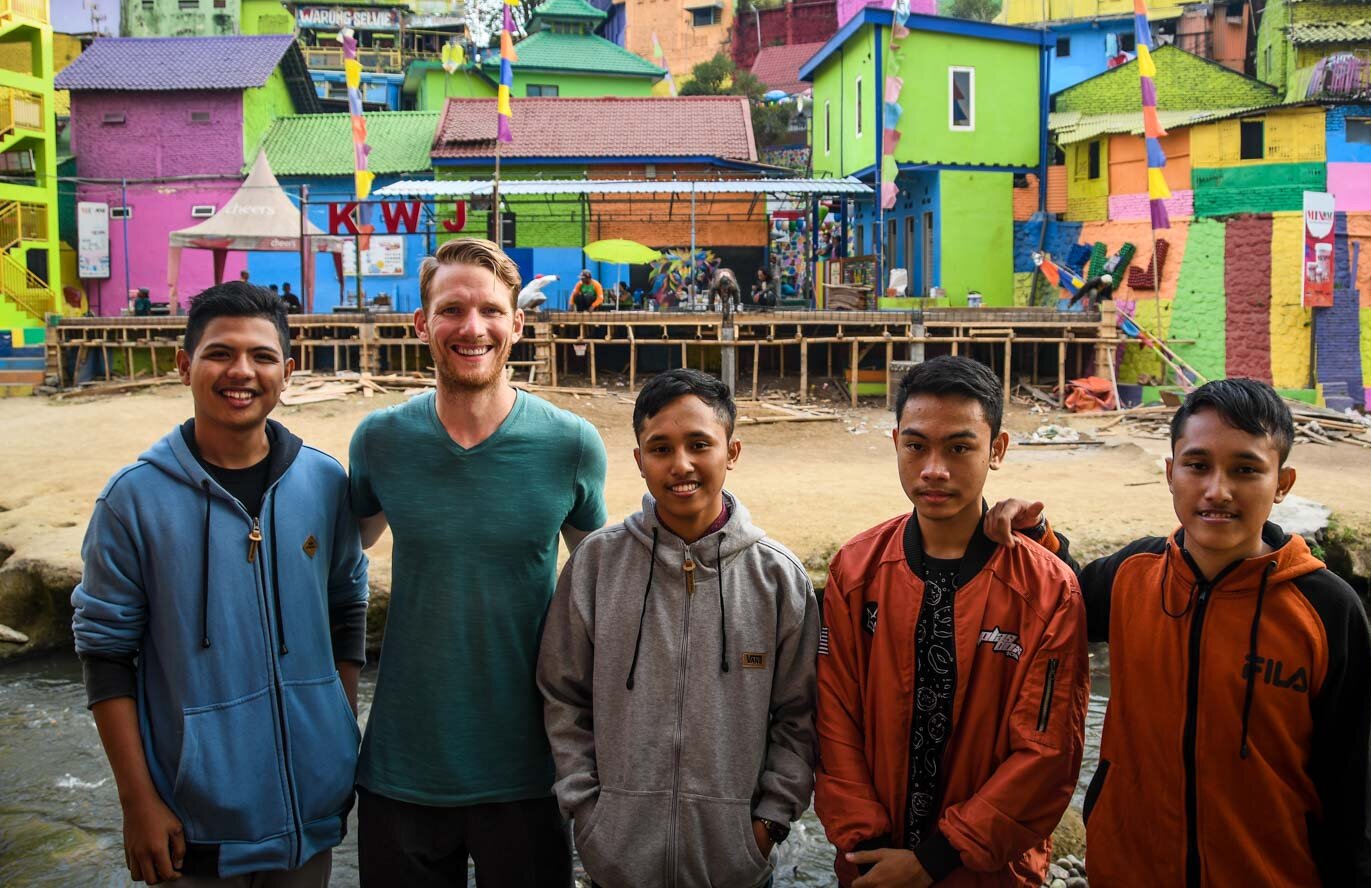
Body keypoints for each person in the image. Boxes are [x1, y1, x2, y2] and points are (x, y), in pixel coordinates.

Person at [985, 379, 1371, 886]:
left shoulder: (1327, 610)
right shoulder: (1133, 573)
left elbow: (1355, 799)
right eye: (1197, 466)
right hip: (1129, 871)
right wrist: (1036, 536)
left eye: (1245, 469)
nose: (1217, 490)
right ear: (1171, 472)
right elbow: (1065, 599)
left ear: (1282, 482)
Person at [72, 282, 369, 886]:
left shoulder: (325, 482)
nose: (242, 371)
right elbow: (105, 653)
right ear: (185, 365)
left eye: (262, 356)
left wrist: (333, 731)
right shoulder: (133, 500)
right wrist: (137, 803)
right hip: (193, 829)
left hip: (310, 816)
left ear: (287, 372)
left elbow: (347, 606)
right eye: (219, 353)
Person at [349, 238, 607, 888]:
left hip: (529, 769)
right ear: (421, 323)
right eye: (452, 309)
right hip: (401, 771)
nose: (472, 328)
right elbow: (339, 553)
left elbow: (610, 587)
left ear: (518, 324)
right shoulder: (380, 442)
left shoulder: (570, 446)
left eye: (491, 310)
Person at [815, 355, 1090, 887]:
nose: (934, 469)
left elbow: (1047, 753)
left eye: (960, 448)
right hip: (869, 865)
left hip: (989, 870)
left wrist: (932, 860)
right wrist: (867, 845)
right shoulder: (856, 568)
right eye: (917, 446)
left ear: (998, 449)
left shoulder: (1048, 588)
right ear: (896, 441)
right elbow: (833, 717)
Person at [538, 369, 819, 887]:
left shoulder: (779, 577)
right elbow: (562, 694)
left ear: (731, 452)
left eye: (699, 444)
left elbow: (800, 715)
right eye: (660, 448)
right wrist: (588, 811)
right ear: (640, 459)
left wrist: (768, 822)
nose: (681, 464)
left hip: (736, 864)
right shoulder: (597, 565)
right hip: (617, 860)